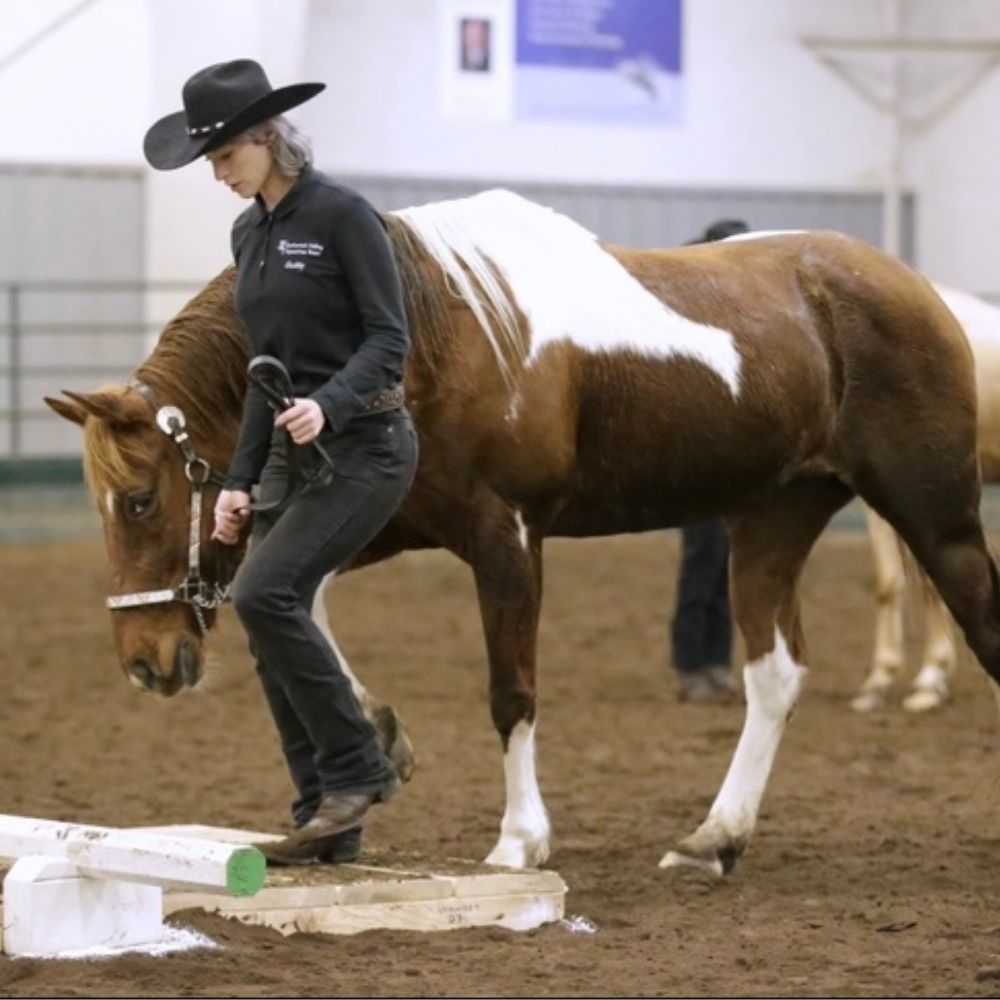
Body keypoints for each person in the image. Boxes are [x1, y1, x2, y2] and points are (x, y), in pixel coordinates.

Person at [143, 59, 418, 863]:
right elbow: (265, 371)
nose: (219, 174)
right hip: (295, 462)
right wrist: (238, 481)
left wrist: (330, 401)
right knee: (266, 617)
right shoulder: (248, 232)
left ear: (267, 136)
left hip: (369, 445)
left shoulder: (343, 216)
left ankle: (357, 769)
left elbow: (389, 339)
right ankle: (323, 817)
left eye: (225, 156)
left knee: (265, 592)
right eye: (212, 162)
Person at [671, 218, 749, 704]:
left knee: (722, 562)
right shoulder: (692, 310)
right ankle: (692, 664)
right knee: (704, 559)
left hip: (726, 460)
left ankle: (714, 661)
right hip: (698, 460)